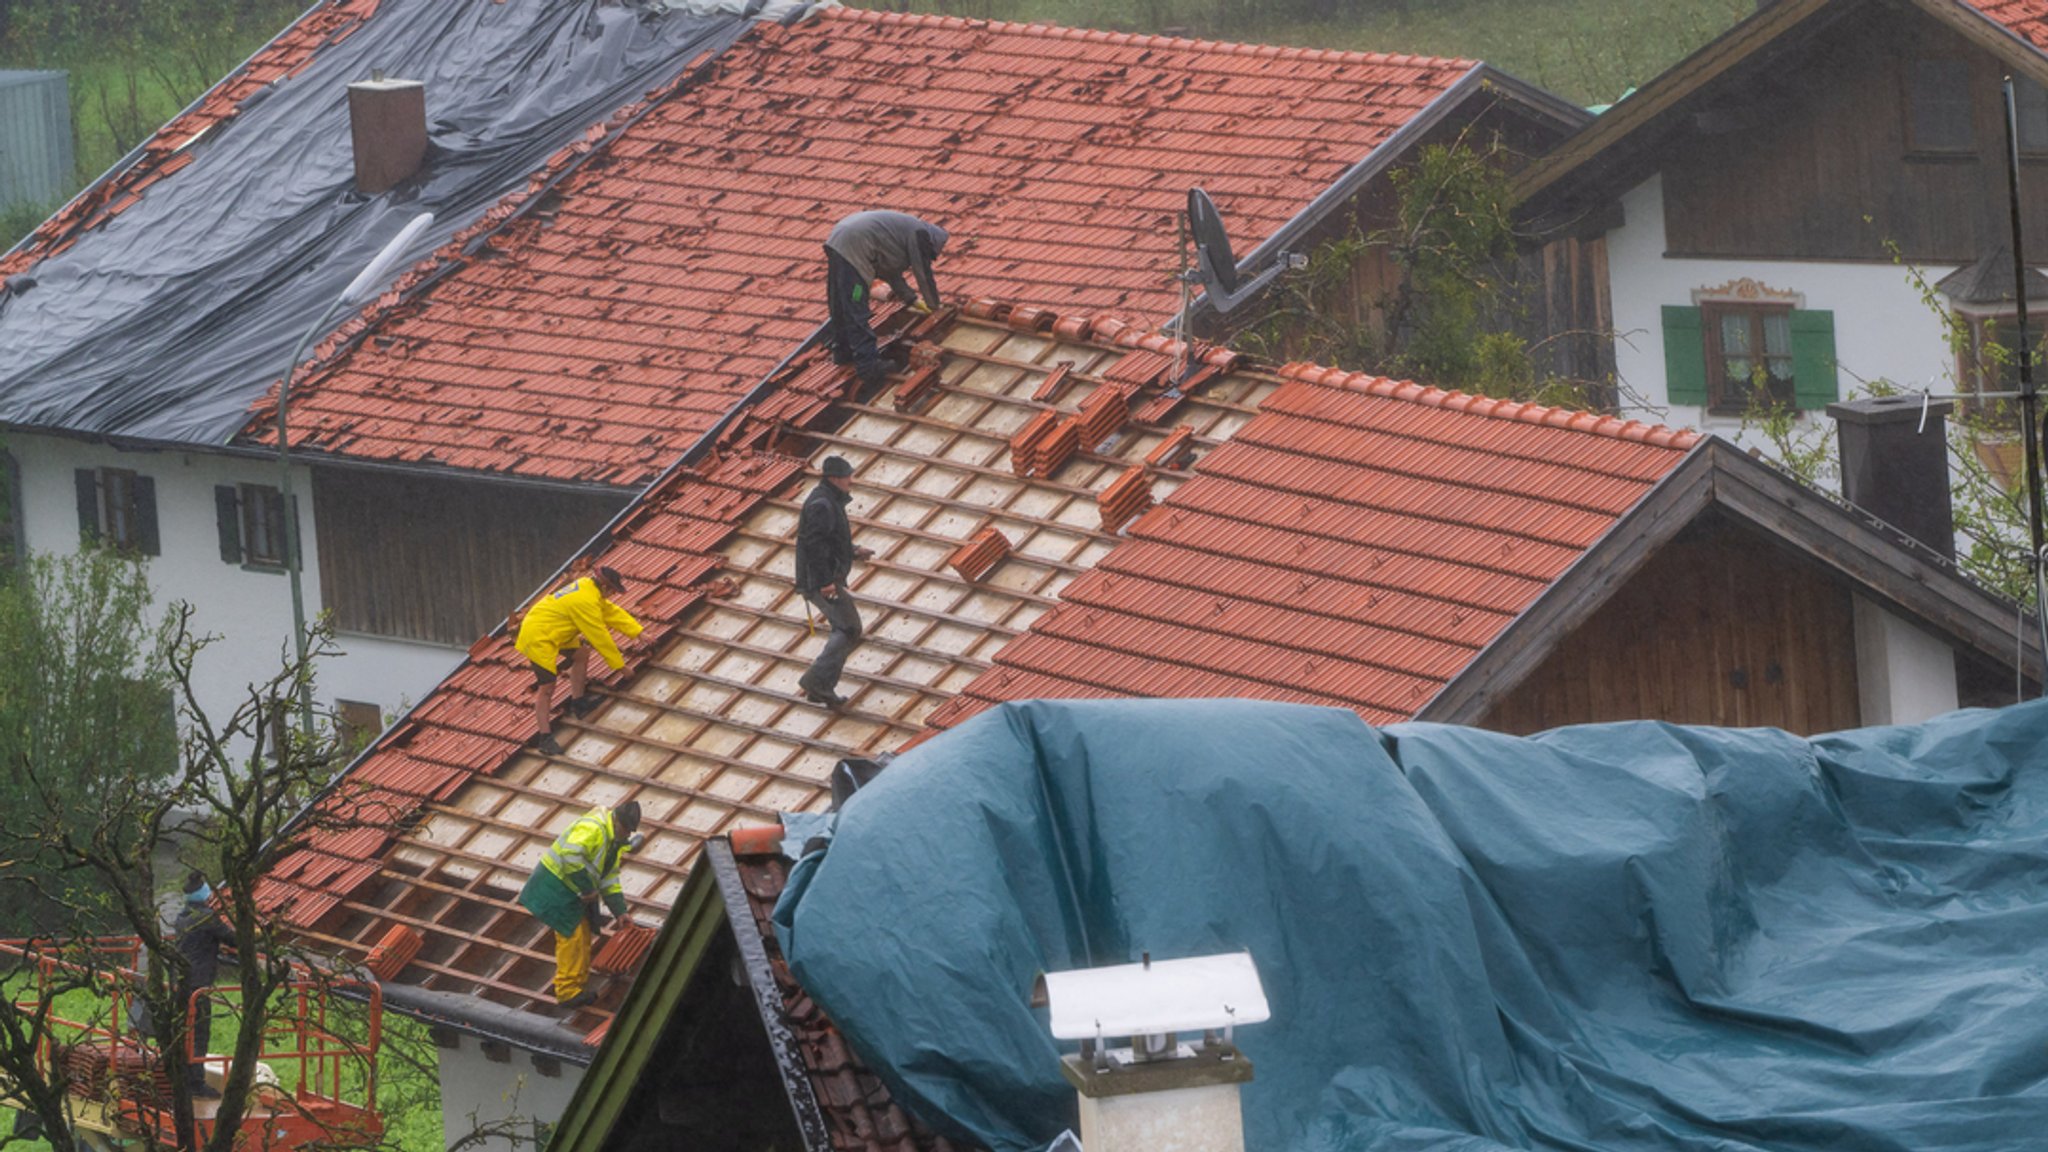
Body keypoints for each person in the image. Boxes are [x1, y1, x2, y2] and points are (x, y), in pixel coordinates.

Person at [518, 801, 644, 1009]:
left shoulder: (614, 843)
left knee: (583, 936)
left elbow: (609, 878)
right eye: (626, 830)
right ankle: (567, 992)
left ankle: (577, 987)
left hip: (572, 890)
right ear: (618, 822)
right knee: (573, 937)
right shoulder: (593, 828)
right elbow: (569, 855)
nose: (627, 836)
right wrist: (587, 889)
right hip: (556, 886)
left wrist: (620, 911)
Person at [515, 563, 642, 757]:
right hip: (537, 637)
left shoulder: (587, 587)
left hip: (554, 629)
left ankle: (578, 703)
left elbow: (610, 612)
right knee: (547, 687)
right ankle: (545, 738)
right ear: (606, 587)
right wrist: (622, 668)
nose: (613, 595)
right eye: (613, 591)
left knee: (581, 654)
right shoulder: (585, 601)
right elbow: (599, 636)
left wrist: (639, 633)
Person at [824, 210, 949, 387]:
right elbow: (923, 274)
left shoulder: (899, 235)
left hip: (839, 241)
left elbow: (890, 273)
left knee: (839, 301)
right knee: (855, 306)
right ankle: (869, 366)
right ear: (931, 244)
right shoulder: (920, 235)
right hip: (854, 244)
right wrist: (935, 306)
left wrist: (911, 299)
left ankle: (842, 352)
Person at [794, 456, 873, 708]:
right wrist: (825, 582)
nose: (851, 480)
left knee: (848, 627)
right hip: (820, 581)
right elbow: (815, 546)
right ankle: (817, 682)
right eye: (848, 476)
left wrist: (853, 550)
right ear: (834, 478)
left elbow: (830, 539)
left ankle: (819, 686)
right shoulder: (822, 505)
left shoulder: (828, 500)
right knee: (848, 628)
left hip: (822, 578)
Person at [173, 871, 233, 1099]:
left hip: (181, 983)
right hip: (198, 987)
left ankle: (182, 1079)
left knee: (183, 1033)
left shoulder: (182, 918)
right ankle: (196, 1084)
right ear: (204, 893)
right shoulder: (207, 918)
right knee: (199, 1034)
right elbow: (233, 938)